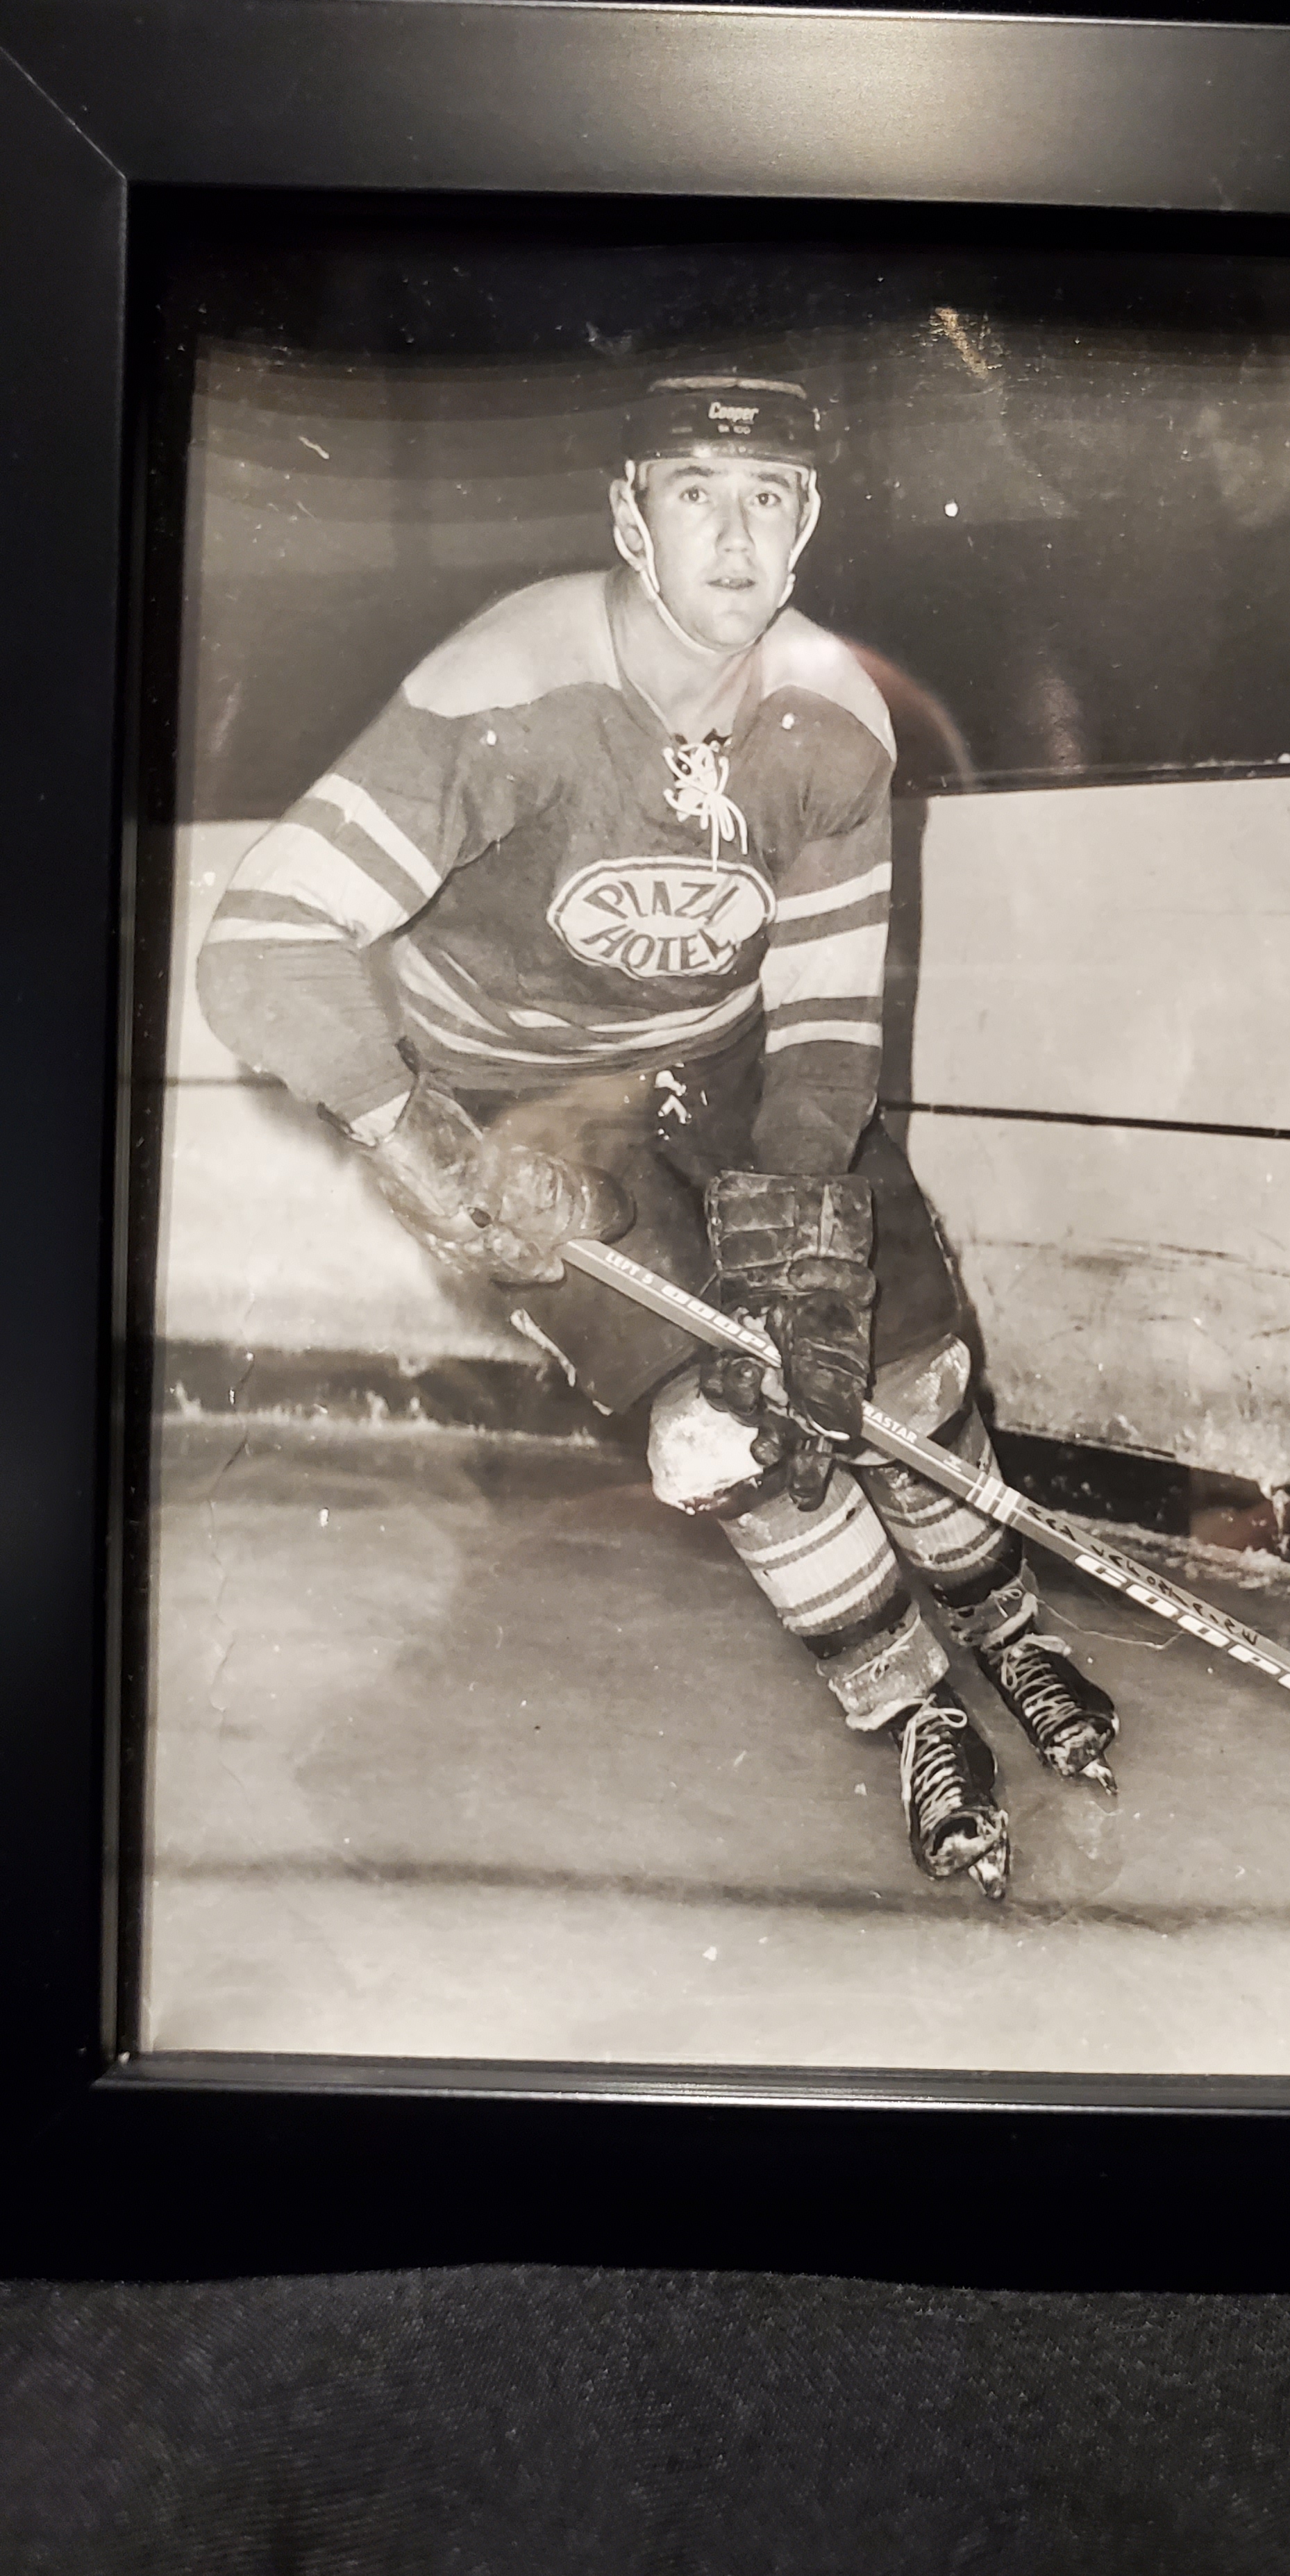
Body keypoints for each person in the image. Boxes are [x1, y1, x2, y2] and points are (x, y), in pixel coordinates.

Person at [194, 365, 1118, 1901]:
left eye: (768, 498)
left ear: (808, 521)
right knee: (720, 1428)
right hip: (526, 1103)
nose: (735, 537)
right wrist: (416, 1133)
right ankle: (912, 1704)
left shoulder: (832, 719)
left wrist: (801, 1223)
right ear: (631, 518)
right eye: (697, 494)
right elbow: (260, 948)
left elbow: (824, 1010)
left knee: (898, 1365)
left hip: (733, 1057)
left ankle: (1009, 1624)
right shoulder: (507, 696)